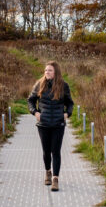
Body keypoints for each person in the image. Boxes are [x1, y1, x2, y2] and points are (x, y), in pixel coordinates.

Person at [27, 61, 74, 191]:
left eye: (50, 70)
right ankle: (48, 171)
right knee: (46, 151)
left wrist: (67, 114)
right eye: (46, 70)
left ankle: (55, 179)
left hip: (58, 124)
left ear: (56, 72)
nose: (47, 72)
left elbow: (70, 103)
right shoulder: (39, 84)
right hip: (43, 124)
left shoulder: (64, 86)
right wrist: (35, 112)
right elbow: (30, 100)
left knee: (56, 151)